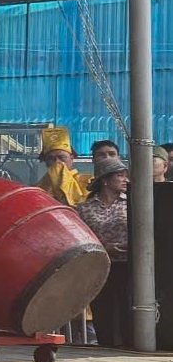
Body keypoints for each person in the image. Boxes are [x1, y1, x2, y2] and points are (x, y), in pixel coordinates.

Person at [78, 164, 131, 349]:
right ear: (105, 180)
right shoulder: (85, 208)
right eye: (120, 176)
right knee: (103, 308)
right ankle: (105, 344)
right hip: (100, 264)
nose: (125, 179)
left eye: (126, 175)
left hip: (127, 265)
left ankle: (129, 345)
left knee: (128, 306)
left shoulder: (132, 203)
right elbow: (81, 237)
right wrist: (106, 248)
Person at [38, 126, 89, 206]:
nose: (57, 162)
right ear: (46, 162)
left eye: (61, 157)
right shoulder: (40, 187)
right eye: (51, 158)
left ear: (72, 158)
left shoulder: (86, 182)